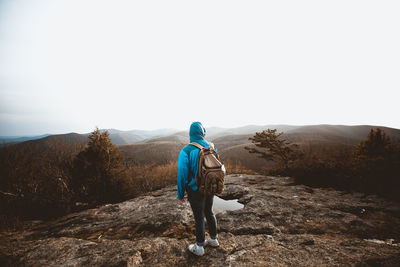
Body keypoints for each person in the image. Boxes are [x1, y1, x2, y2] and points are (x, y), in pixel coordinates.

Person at [177, 121, 220, 256]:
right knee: (209, 212)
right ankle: (213, 239)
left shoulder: (186, 150)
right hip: (210, 187)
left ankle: (199, 247)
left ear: (191, 133)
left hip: (195, 190)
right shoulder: (212, 147)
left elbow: (182, 175)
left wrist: (180, 194)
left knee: (199, 217)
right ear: (203, 132)